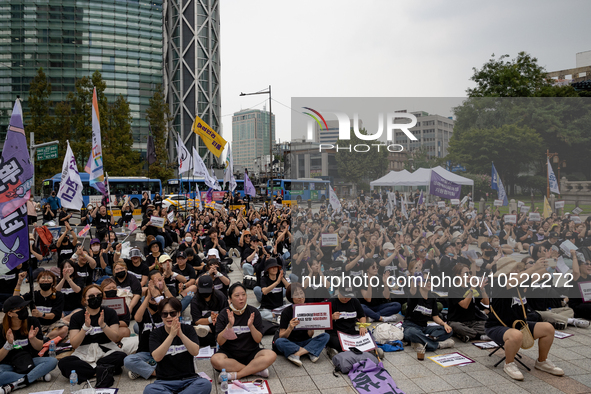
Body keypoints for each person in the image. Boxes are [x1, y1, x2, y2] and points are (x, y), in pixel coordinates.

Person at [485, 257, 564, 381]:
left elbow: (540, 274)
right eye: (514, 268)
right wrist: (534, 267)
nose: (517, 269)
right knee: (516, 335)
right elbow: (519, 278)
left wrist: (548, 261)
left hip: (520, 324)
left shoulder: (519, 281)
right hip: (497, 326)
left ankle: (542, 362)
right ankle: (509, 364)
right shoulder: (498, 282)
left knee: (548, 328)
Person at [57, 285, 127, 383]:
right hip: (84, 352)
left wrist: (103, 325)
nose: (95, 298)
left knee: (121, 356)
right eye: (91, 296)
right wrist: (85, 328)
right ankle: (102, 371)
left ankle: (89, 372)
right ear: (85, 300)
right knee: (64, 363)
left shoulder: (110, 312)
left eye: (98, 295)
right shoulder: (76, 317)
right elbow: (74, 344)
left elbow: (115, 338)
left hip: (106, 350)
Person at [143, 297, 212, 394]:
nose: (169, 317)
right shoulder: (156, 333)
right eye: (164, 314)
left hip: (189, 379)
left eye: (172, 313)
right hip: (164, 382)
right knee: (149, 390)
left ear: (179, 313)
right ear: (161, 316)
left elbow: (195, 351)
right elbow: (157, 357)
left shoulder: (188, 329)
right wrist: (171, 335)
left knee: (205, 384)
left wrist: (181, 335)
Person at [211, 283, 276, 381]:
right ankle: (255, 371)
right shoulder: (224, 314)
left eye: (243, 294)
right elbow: (220, 342)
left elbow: (258, 339)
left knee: (271, 355)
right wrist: (229, 326)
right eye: (237, 295)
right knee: (215, 360)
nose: (241, 298)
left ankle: (237, 375)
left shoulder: (253, 312)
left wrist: (251, 326)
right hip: (230, 354)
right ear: (230, 299)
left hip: (251, 353)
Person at [0, 296, 58, 393]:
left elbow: (39, 347)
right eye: (20, 308)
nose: (24, 310)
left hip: (30, 361)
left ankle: (17, 383)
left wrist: (32, 338)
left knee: (52, 361)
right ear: (10, 313)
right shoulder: (1, 329)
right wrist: (8, 344)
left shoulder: (32, 321)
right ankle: (36, 377)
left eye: (24, 307)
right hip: (10, 364)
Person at [124, 270, 169, 380]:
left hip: (163, 351)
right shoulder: (144, 310)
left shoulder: (165, 313)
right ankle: (156, 372)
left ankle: (143, 370)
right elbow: (137, 318)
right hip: (145, 352)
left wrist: (158, 296)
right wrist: (148, 296)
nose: (154, 300)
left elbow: (172, 308)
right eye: (152, 299)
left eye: (156, 298)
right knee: (128, 360)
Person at [274, 282, 330, 366]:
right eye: (296, 295)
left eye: (301, 293)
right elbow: (282, 336)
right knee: (279, 342)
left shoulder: (309, 309)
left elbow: (310, 334)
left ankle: (297, 354)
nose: (300, 297)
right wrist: (290, 328)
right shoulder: (286, 312)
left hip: (305, 341)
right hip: (291, 342)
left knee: (326, 336)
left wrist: (310, 326)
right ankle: (309, 351)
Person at [402, 271, 455, 352]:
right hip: (410, 326)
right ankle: (437, 345)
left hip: (424, 328)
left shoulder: (432, 297)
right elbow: (412, 289)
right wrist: (414, 277)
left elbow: (435, 316)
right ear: (419, 283)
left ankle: (420, 341)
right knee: (413, 333)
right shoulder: (415, 294)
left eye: (430, 280)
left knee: (448, 331)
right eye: (426, 280)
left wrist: (445, 324)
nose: (429, 283)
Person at [14, 270, 68, 342]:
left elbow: (54, 315)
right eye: (43, 278)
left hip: (53, 323)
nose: (46, 280)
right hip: (37, 323)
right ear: (38, 281)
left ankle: (45, 339)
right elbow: (15, 300)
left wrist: (41, 314)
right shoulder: (33, 294)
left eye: (49, 278)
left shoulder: (58, 295)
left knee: (64, 329)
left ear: (53, 282)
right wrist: (19, 282)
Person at [447, 264, 489, 342]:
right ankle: (479, 336)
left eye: (469, 273)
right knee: (455, 326)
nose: (469, 275)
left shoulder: (470, 287)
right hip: (457, 321)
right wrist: (471, 289)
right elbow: (464, 305)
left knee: (490, 324)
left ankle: (465, 335)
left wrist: (483, 290)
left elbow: (486, 303)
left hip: (472, 322)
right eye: (466, 273)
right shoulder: (454, 289)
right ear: (458, 275)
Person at [326, 285, 368, 358]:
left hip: (350, 332)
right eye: (344, 296)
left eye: (349, 296)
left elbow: (361, 316)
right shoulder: (331, 302)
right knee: (335, 342)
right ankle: (332, 349)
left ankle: (347, 350)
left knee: (367, 336)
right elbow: (323, 321)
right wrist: (331, 317)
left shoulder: (355, 301)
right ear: (339, 291)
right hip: (335, 333)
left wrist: (362, 326)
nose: (346, 299)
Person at [190, 274, 229, 347]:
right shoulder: (195, 300)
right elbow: (197, 320)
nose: (205, 293)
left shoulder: (220, 297)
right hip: (202, 325)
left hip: (218, 325)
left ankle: (208, 329)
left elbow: (226, 316)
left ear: (212, 287)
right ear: (198, 287)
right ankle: (210, 333)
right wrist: (210, 319)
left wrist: (216, 319)